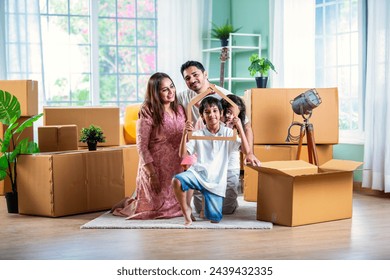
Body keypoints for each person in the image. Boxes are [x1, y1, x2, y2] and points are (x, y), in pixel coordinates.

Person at [177, 60, 261, 214]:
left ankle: (226, 201)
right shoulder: (184, 96)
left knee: (226, 208)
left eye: (195, 75)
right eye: (187, 78)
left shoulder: (225, 95)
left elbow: (247, 126)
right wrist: (146, 108)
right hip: (203, 150)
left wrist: (249, 152)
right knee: (201, 206)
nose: (192, 80)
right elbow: (166, 99)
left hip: (227, 150)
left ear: (205, 74)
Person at [111, 72, 185, 219]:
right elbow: (142, 145)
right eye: (165, 90)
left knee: (179, 209)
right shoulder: (148, 110)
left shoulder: (180, 109)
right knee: (154, 211)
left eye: (172, 87)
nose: (171, 92)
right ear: (156, 92)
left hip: (176, 167)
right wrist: (152, 174)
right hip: (155, 167)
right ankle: (128, 203)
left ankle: (132, 200)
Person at [172, 96, 250, 226]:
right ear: (202, 116)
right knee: (177, 180)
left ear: (220, 114)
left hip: (216, 182)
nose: (211, 115)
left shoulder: (228, 133)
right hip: (198, 174)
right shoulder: (198, 134)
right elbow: (183, 155)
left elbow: (246, 151)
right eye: (207, 112)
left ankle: (209, 206)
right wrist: (184, 134)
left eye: (215, 111)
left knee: (214, 219)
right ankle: (186, 209)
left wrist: (240, 128)